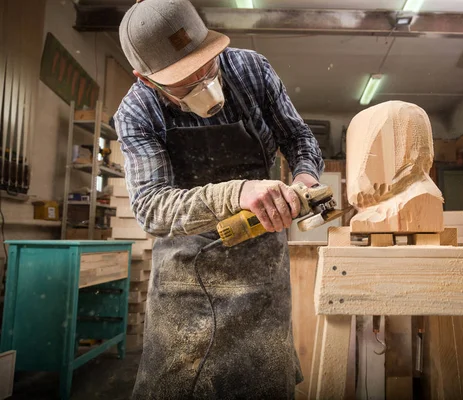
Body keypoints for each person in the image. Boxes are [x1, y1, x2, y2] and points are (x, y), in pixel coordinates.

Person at [114, 0, 324, 398]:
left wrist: (305, 177)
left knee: (262, 382)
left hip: (259, 264)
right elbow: (152, 208)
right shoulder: (136, 112)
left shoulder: (250, 70)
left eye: (206, 66)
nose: (202, 82)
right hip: (184, 278)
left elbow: (298, 138)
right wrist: (238, 192)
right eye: (183, 81)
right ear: (145, 79)